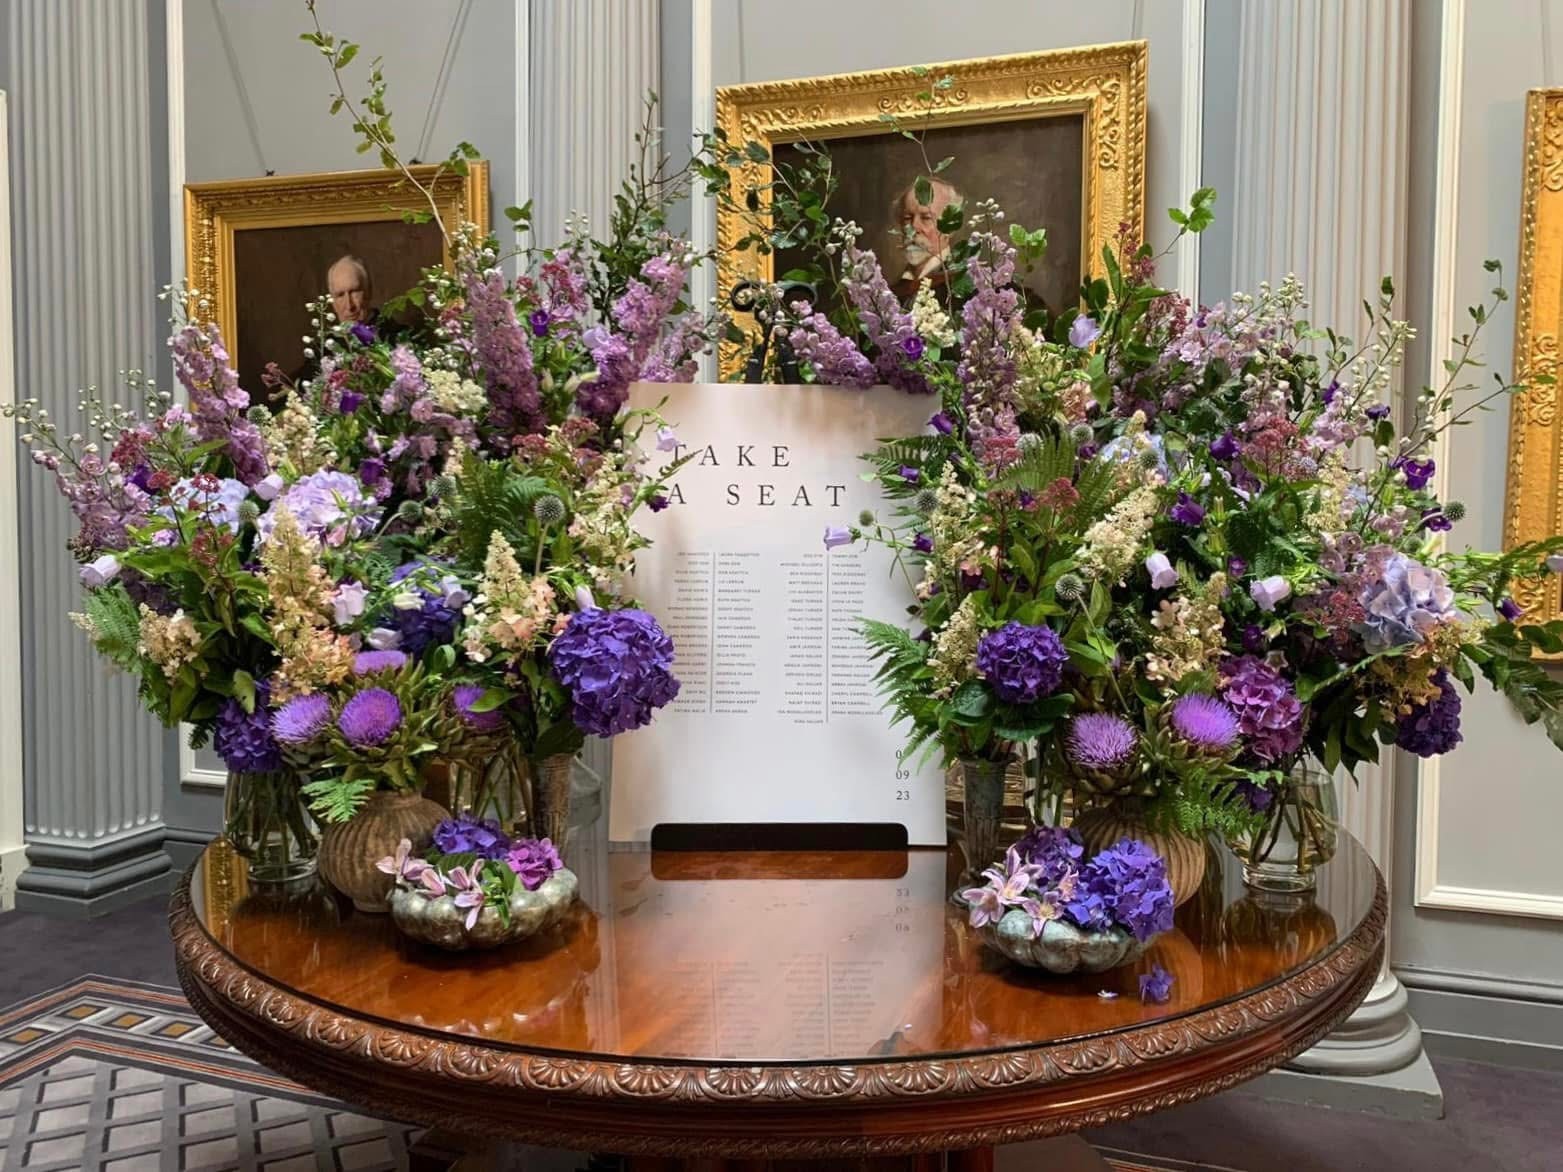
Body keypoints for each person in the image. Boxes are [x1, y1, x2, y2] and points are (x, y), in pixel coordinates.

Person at [888, 176, 963, 302]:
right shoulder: (894, 292)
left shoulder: (961, 286)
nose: (914, 227)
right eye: (907, 218)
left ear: (950, 226)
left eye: (926, 218)